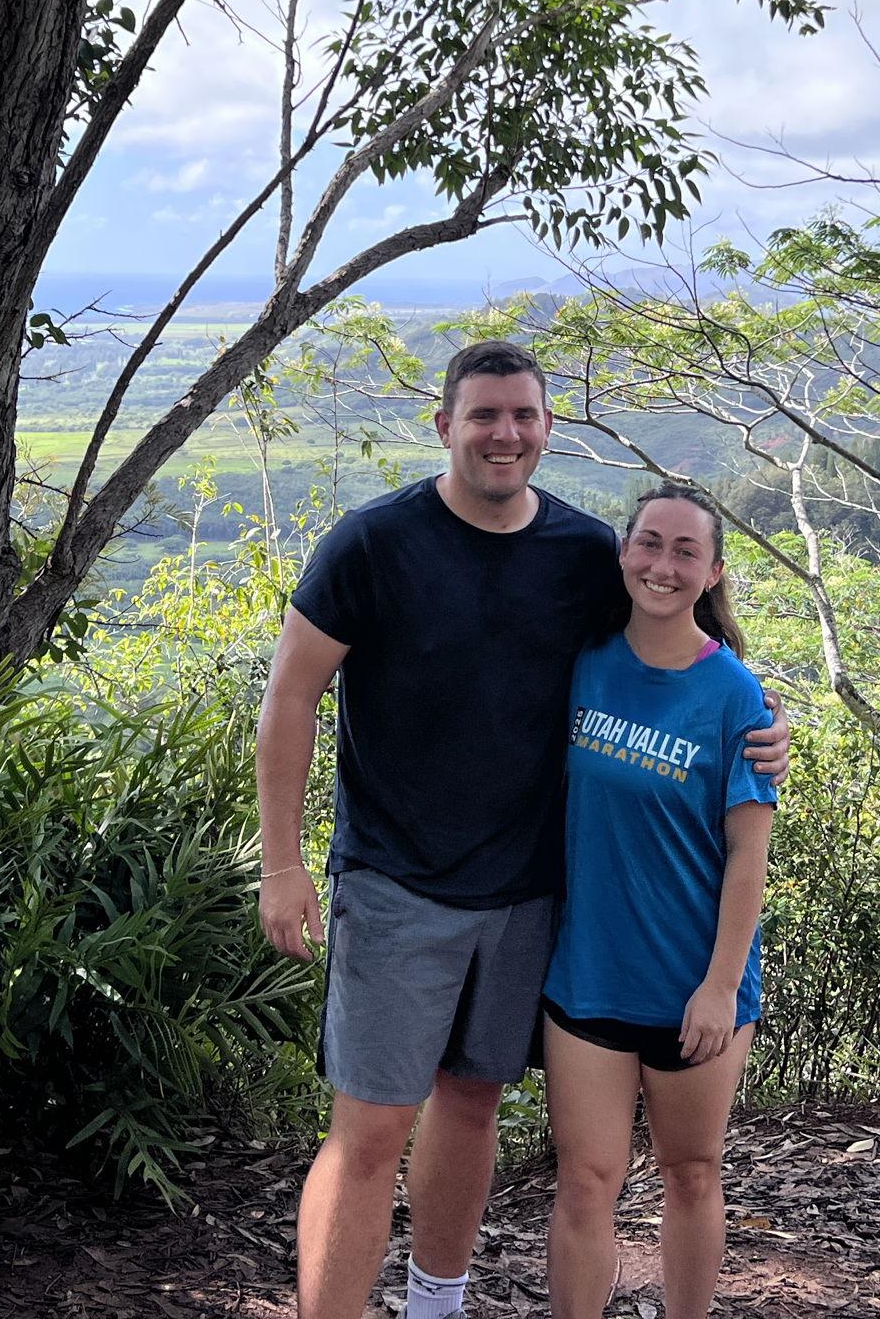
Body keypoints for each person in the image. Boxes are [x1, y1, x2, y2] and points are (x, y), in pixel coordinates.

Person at [256, 341, 788, 1319]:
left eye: (523, 415)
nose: (504, 433)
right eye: (483, 414)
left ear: (546, 427)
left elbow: (672, 639)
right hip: (395, 884)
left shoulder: (583, 553)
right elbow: (291, 693)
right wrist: (282, 863)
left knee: (471, 1102)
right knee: (370, 1129)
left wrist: (758, 720)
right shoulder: (372, 543)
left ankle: (435, 1302)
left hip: (526, 897)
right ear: (444, 426)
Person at [541, 485, 777, 1319]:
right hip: (589, 976)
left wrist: (719, 986)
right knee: (585, 1180)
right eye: (649, 543)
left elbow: (748, 855)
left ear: (712, 573)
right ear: (624, 553)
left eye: (685, 551)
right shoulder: (583, 663)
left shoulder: (736, 696)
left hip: (695, 986)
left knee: (692, 1173)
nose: (663, 565)